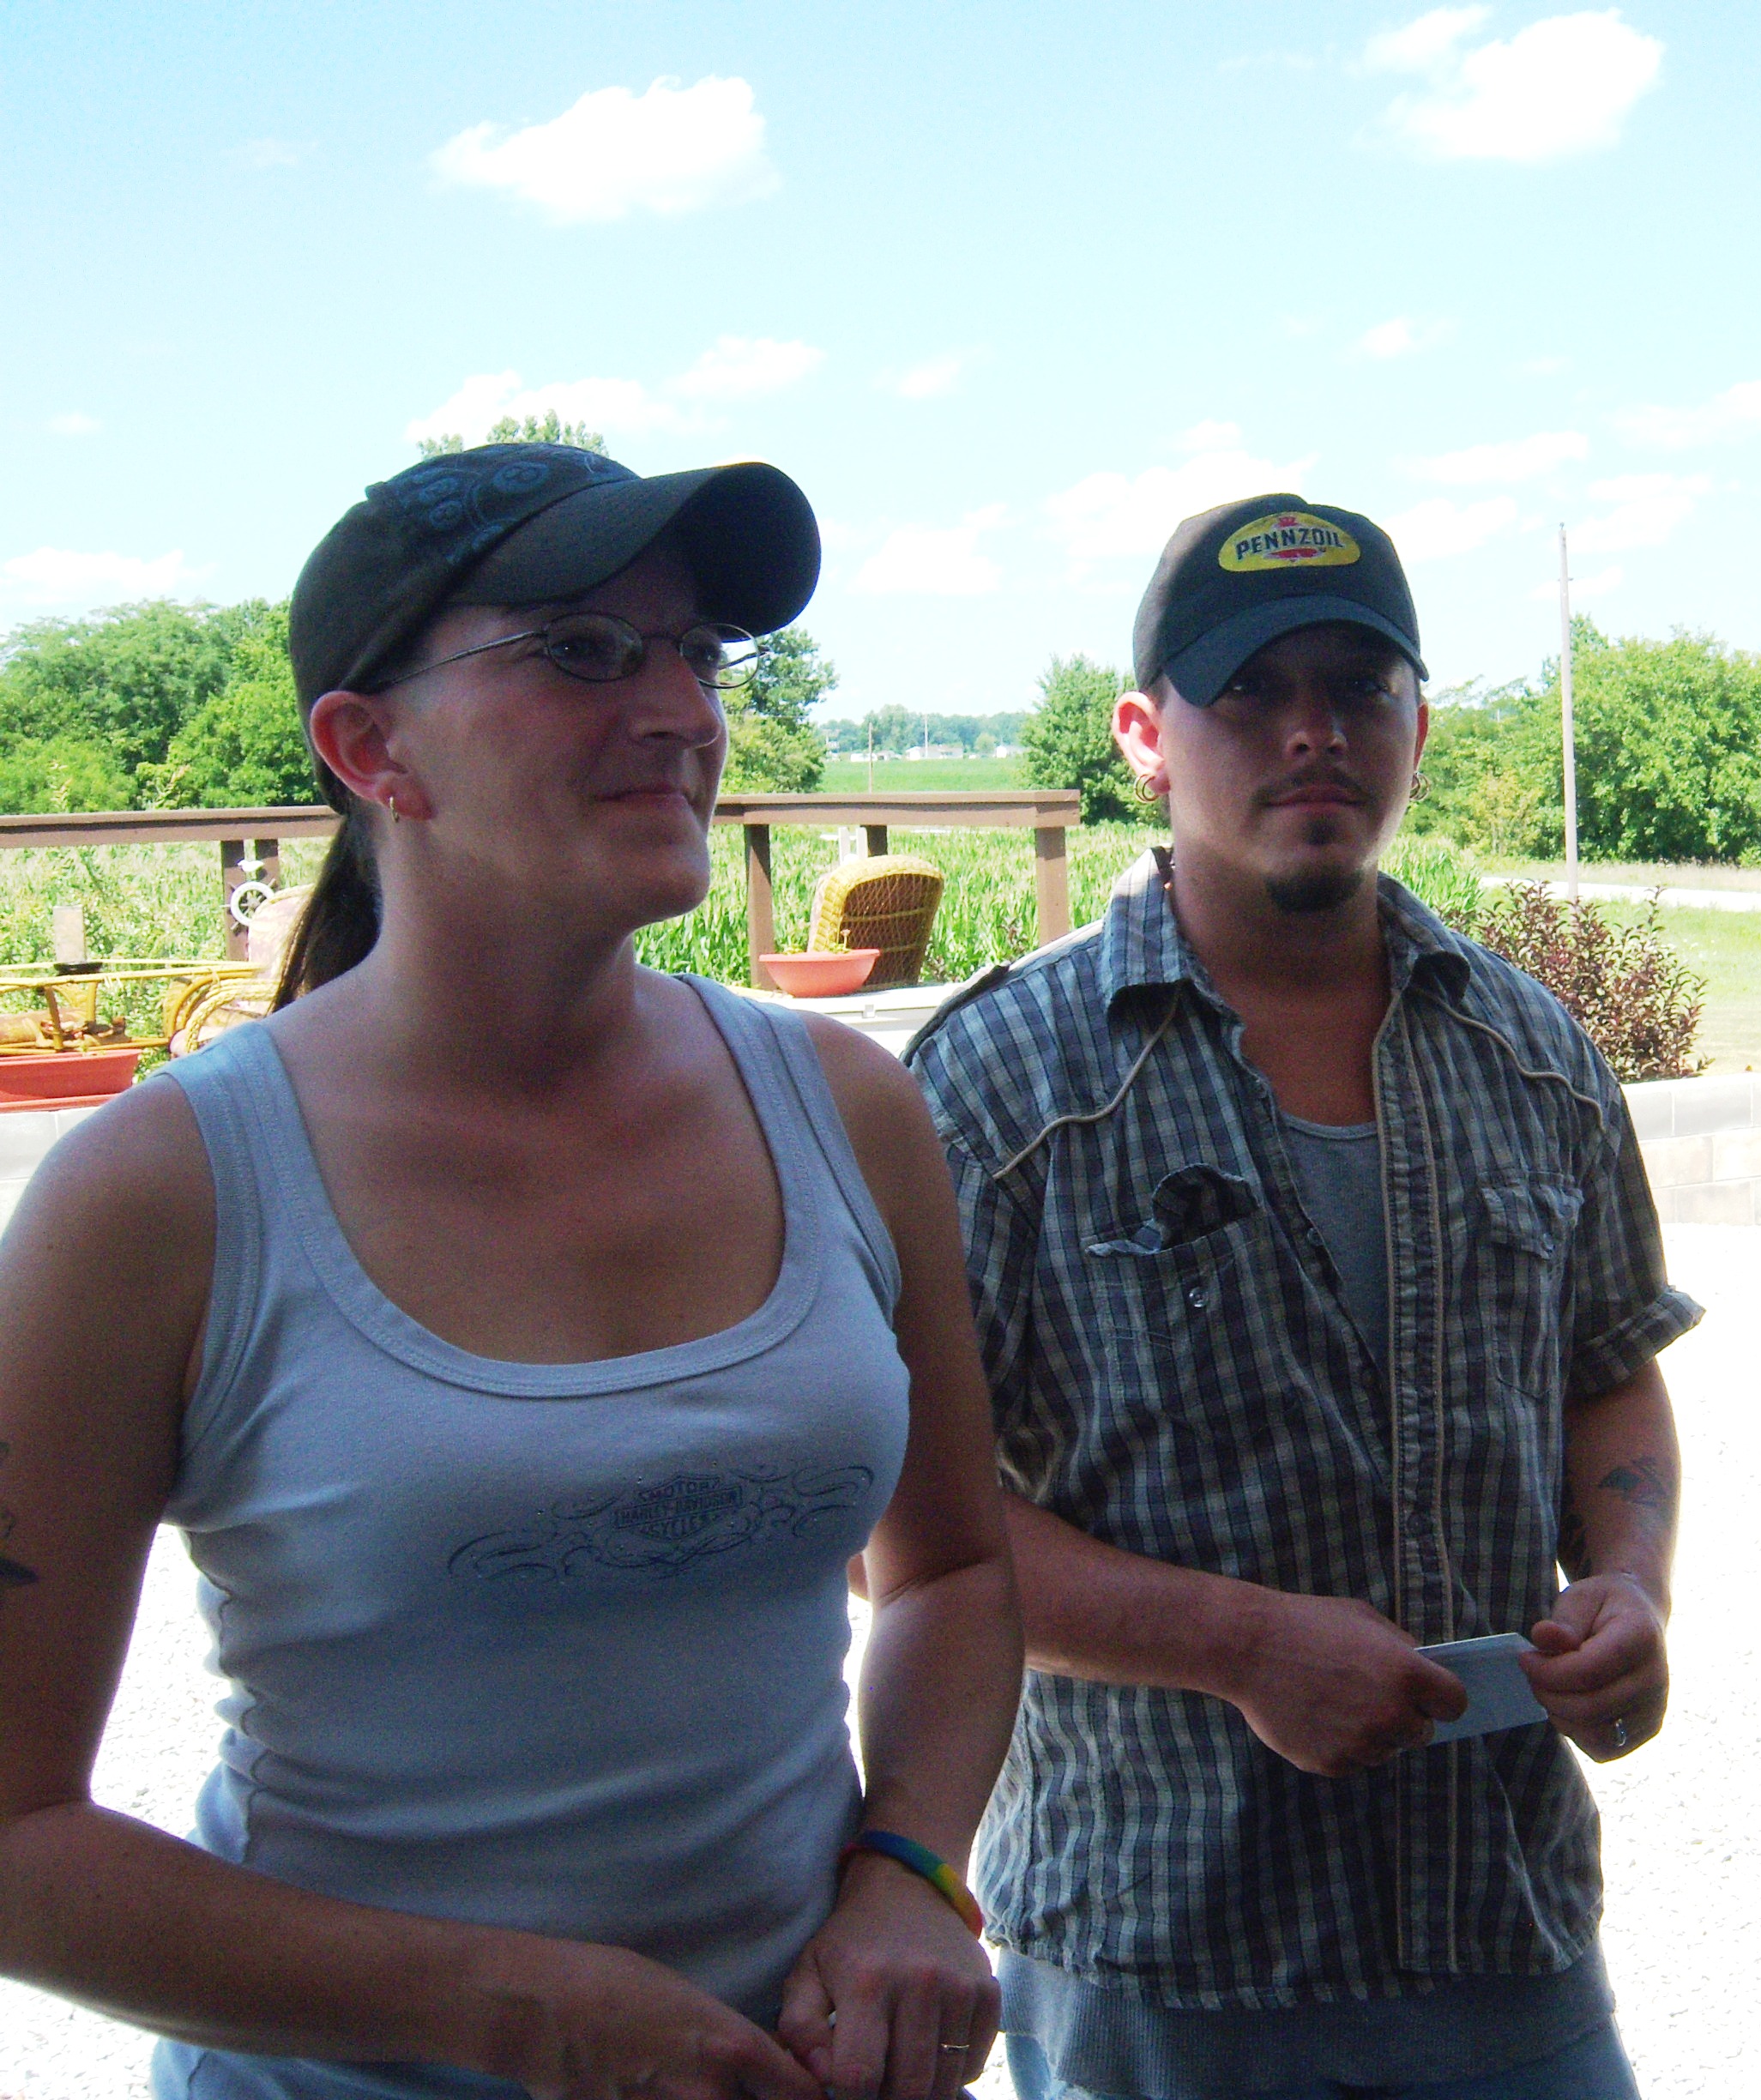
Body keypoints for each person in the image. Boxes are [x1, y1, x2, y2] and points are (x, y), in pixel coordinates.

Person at [0, 444, 1023, 2100]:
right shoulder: (160, 1195)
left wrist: (910, 1870)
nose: (684, 713)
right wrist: (512, 2014)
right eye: (583, 651)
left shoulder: (848, 1113)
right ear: (370, 748)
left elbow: (955, 1574)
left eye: (699, 654)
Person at [907, 495, 1699, 2099]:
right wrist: (1240, 1647)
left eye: (1359, 686)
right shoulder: (997, 1087)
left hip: (1502, 1927)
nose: (1313, 731)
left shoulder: (1535, 1057)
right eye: (1250, 690)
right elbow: (908, 1536)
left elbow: (1608, 1370)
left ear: (1419, 726)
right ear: (1145, 738)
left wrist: (1631, 1583)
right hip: (1160, 1955)